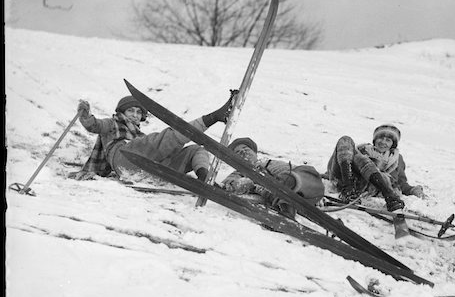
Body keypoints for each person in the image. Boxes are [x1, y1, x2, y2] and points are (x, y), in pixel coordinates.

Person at [70, 93, 236, 182]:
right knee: (163, 139)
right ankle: (212, 117)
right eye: (130, 111)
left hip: (147, 169)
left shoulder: (141, 137)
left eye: (138, 112)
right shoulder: (112, 123)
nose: (135, 115)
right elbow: (95, 125)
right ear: (122, 112)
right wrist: (85, 116)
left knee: (195, 150)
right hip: (124, 158)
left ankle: (204, 178)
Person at [218, 137, 325, 219]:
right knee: (273, 188)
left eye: (246, 149)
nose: (243, 152)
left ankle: (287, 193)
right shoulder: (239, 172)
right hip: (278, 192)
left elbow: (303, 171)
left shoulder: (270, 163)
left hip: (302, 182)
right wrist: (245, 183)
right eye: (238, 152)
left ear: (254, 153)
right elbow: (226, 184)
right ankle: (286, 206)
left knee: (299, 176)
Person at [326, 124, 425, 212]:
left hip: (369, 187)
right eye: (380, 138)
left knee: (382, 174)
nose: (383, 142)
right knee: (346, 140)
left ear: (393, 144)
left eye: (388, 140)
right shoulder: (361, 150)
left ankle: (390, 196)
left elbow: (401, 182)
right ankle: (348, 190)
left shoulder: (398, 159)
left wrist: (412, 190)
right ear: (375, 139)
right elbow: (339, 163)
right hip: (346, 180)